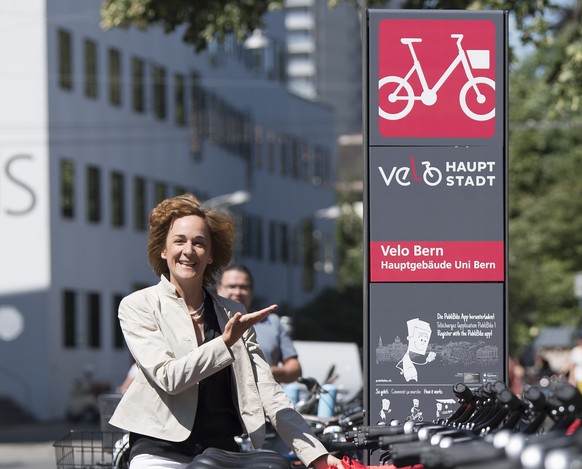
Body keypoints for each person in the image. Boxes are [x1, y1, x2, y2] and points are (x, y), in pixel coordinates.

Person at [109, 194, 341, 469]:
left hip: (221, 453)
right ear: (162, 250)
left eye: (199, 243)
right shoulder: (138, 305)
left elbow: (267, 390)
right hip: (159, 452)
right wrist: (225, 342)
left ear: (210, 256)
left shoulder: (233, 312)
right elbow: (168, 377)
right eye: (179, 241)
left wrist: (316, 455)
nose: (188, 250)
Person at [217, 264, 302, 384]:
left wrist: (266, 371)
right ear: (219, 289)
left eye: (243, 287)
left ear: (252, 291)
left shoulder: (272, 322)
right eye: (231, 286)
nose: (237, 292)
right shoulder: (209, 321)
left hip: (265, 399)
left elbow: (295, 369)